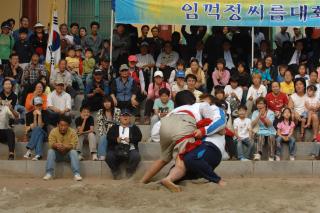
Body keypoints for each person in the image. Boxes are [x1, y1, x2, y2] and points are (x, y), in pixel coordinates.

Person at [142, 90, 226, 190]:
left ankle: (142, 180)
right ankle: (169, 179)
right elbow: (211, 120)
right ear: (194, 100)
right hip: (184, 125)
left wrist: (162, 139)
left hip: (165, 125)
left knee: (163, 159)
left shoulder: (173, 111)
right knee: (181, 160)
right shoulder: (199, 105)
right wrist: (206, 129)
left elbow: (155, 131)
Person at [43, 115, 82, 181]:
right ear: (58, 124)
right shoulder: (53, 131)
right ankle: (49, 173)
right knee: (50, 151)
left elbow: (73, 145)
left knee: (74, 152)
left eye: (65, 125)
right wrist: (56, 145)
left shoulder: (72, 132)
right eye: (61, 125)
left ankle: (76, 174)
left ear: (68, 125)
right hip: (57, 155)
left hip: (68, 155)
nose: (63, 128)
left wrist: (66, 147)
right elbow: (51, 143)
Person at [106, 109, 142, 179]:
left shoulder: (134, 128)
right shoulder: (114, 127)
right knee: (109, 156)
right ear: (120, 117)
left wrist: (130, 140)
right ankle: (116, 172)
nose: (125, 117)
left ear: (130, 118)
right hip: (116, 148)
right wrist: (116, 140)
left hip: (130, 148)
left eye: (127, 116)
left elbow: (139, 137)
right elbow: (108, 137)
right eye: (123, 116)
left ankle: (129, 172)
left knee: (136, 156)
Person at [251, 97, 276, 161]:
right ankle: (258, 154)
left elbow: (270, 124)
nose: (259, 105)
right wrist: (259, 116)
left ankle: (271, 156)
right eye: (258, 104)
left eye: (261, 103)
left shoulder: (271, 113)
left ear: (265, 105)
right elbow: (252, 124)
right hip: (259, 130)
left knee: (271, 137)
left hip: (270, 130)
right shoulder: (255, 112)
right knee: (260, 135)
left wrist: (265, 117)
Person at [23, 96, 48, 161]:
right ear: (34, 106)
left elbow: (40, 127)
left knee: (39, 131)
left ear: (42, 105)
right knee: (39, 134)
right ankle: (38, 155)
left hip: (43, 132)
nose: (39, 107)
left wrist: (39, 115)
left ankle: (29, 149)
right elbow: (33, 128)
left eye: (40, 105)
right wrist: (34, 116)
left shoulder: (45, 113)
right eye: (37, 105)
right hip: (32, 133)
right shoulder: (28, 114)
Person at [97, 96, 121, 161]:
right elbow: (100, 125)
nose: (107, 104)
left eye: (108, 102)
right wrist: (102, 133)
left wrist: (111, 134)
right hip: (105, 132)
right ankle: (102, 155)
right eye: (105, 102)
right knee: (103, 137)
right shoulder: (100, 111)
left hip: (115, 133)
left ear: (111, 102)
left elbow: (118, 124)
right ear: (103, 103)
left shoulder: (117, 110)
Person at [0, 94, 18, 160]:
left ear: (1, 100)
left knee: (9, 130)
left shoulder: (6, 108)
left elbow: (16, 117)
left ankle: (11, 154)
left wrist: (12, 110)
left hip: (4, 132)